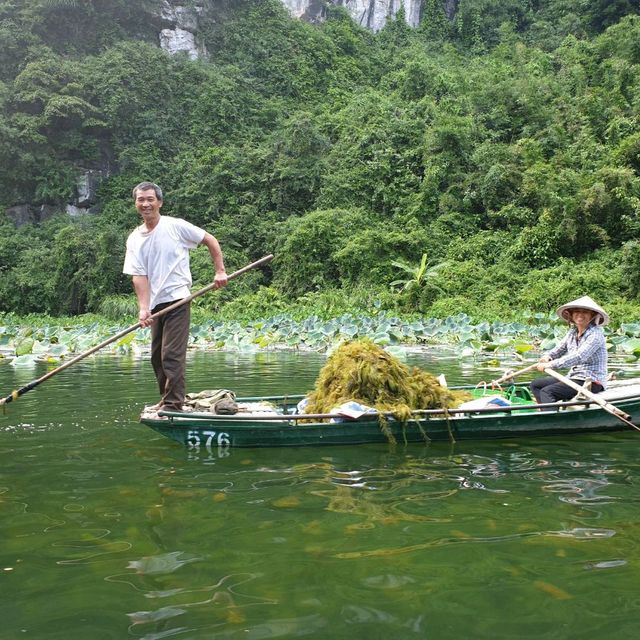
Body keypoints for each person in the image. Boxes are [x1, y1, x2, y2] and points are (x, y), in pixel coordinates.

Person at [123, 181, 228, 412]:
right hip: (155, 304)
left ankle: (173, 405)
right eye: (141, 200)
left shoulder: (175, 226)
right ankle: (165, 398)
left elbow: (209, 239)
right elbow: (138, 276)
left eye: (150, 199)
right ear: (135, 204)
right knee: (156, 358)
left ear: (159, 202)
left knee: (171, 355)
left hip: (179, 299)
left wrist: (220, 271)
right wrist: (143, 308)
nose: (146, 204)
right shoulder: (134, 238)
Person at [530, 295, 608, 407]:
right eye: (576, 311)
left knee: (547, 391)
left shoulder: (595, 335)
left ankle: (552, 420)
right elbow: (560, 349)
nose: (580, 315)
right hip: (573, 377)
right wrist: (548, 356)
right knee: (536, 385)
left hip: (591, 381)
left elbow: (579, 356)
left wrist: (551, 364)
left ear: (592, 315)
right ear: (571, 314)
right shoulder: (573, 332)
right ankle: (546, 410)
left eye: (585, 312)